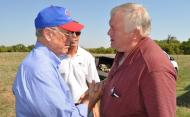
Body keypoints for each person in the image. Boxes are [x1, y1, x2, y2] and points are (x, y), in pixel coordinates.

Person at [12, 6, 102, 117]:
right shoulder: (41, 69)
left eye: (75, 33)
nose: (72, 38)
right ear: (48, 34)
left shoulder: (43, 62)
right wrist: (90, 100)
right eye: (67, 33)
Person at [100, 3, 177, 117]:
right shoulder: (123, 51)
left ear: (135, 33)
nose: (108, 32)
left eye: (113, 28)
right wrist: (101, 87)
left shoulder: (154, 68)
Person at [58, 24, 100, 117]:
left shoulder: (87, 57)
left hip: (83, 106)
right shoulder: (56, 57)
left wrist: (95, 106)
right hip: (62, 107)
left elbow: (93, 85)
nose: (74, 36)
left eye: (77, 33)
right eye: (70, 32)